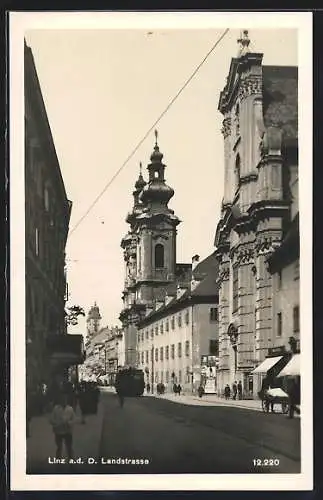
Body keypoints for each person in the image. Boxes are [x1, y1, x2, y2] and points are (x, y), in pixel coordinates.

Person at [49, 393, 76, 460]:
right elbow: (51, 419)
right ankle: (58, 460)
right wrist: (57, 423)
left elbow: (74, 419)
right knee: (59, 447)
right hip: (58, 431)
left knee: (69, 447)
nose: (64, 401)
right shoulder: (56, 409)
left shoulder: (70, 409)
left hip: (67, 431)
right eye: (62, 400)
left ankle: (71, 460)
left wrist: (68, 423)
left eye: (65, 400)